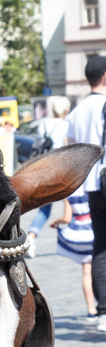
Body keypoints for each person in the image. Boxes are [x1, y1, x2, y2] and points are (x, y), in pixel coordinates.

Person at [65, 54, 106, 331]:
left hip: (90, 185)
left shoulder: (77, 111)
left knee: (100, 246)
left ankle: (103, 310)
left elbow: (70, 149)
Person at [27, 96, 72, 257]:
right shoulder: (67, 125)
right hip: (62, 169)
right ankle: (74, 237)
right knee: (72, 200)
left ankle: (31, 237)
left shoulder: (44, 124)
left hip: (45, 169)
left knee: (45, 208)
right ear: (66, 110)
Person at [51, 186, 97, 322]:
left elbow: (66, 218)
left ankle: (91, 309)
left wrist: (55, 222)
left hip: (80, 234)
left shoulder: (69, 193)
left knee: (86, 273)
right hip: (95, 227)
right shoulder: (94, 187)